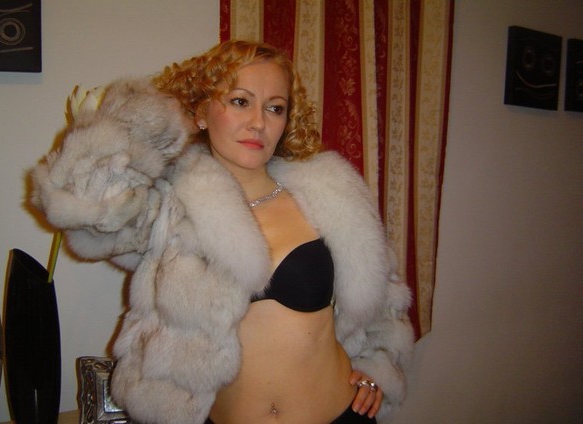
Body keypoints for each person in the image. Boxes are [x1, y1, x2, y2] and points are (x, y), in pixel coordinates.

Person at [31, 40, 414, 424]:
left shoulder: (330, 194)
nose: (259, 122)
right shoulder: (166, 206)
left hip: (341, 414)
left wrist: (377, 368)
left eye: (275, 108)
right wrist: (141, 125)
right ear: (202, 112)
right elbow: (85, 210)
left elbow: (384, 297)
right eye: (240, 101)